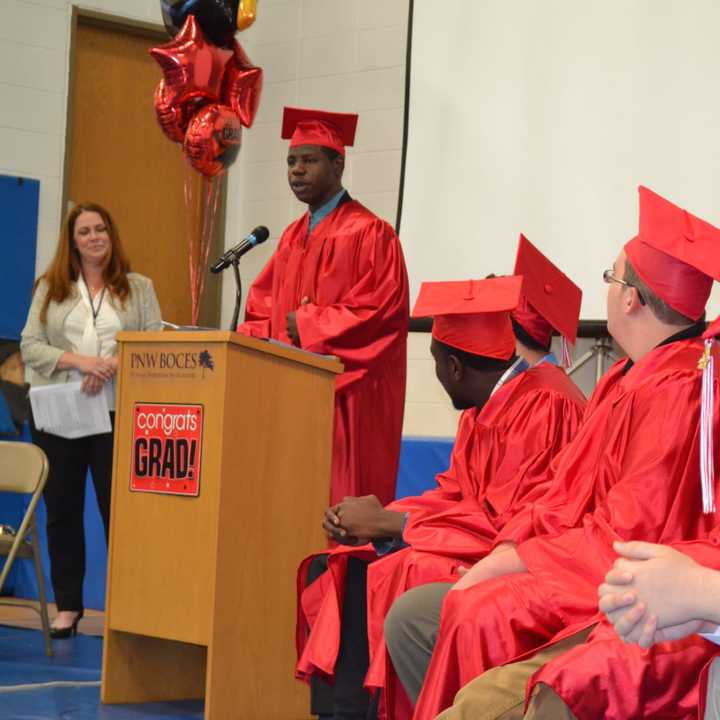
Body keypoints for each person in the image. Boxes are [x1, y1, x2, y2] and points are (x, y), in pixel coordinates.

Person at [384, 185, 720, 719]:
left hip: (608, 576)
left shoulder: (677, 389)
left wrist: (513, 561)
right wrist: (508, 552)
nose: (606, 291)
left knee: (479, 610)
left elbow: (627, 532)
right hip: (575, 558)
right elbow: (560, 493)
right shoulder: (621, 378)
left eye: (611, 278)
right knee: (435, 602)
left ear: (631, 298)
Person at [297, 248, 586, 720]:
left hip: (518, 565)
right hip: (473, 548)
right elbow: (456, 491)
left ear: (454, 368)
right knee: (346, 562)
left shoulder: (546, 406)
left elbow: (514, 524)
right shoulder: (488, 406)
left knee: (388, 573)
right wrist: (380, 519)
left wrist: (396, 523)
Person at [237, 106, 409, 508]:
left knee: (337, 504)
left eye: (309, 161)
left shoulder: (371, 233)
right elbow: (264, 309)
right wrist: (243, 340)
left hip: (348, 400)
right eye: (292, 162)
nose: (297, 171)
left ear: (338, 165)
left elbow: (381, 313)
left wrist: (311, 325)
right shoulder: (291, 236)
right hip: (294, 396)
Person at [21, 202, 162, 637]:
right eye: (85, 232)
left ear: (111, 234)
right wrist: (82, 362)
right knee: (62, 511)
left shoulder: (138, 287)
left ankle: (127, 607)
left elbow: (153, 342)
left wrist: (112, 365)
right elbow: (30, 345)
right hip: (60, 412)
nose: (95, 237)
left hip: (117, 412)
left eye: (101, 228)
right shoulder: (52, 287)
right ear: (72, 241)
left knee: (118, 512)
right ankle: (68, 607)